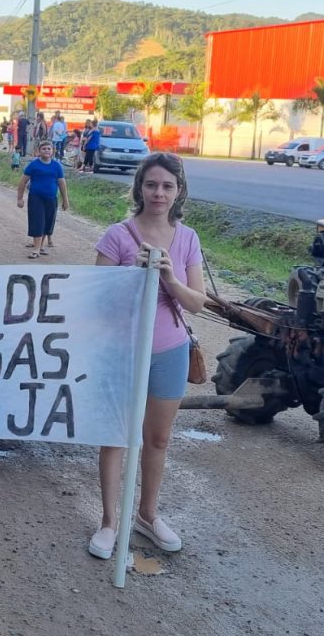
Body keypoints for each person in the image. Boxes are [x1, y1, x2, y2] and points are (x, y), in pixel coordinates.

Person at [87, 153, 205, 561]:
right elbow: (98, 302)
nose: (159, 193)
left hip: (170, 351)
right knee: (117, 435)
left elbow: (196, 303)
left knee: (158, 438)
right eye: (152, 185)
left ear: (178, 192)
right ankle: (108, 521)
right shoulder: (118, 236)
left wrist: (170, 278)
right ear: (140, 188)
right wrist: (131, 279)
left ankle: (147, 515)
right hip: (122, 352)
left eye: (167, 186)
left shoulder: (187, 239)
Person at [16, 140, 68, 259]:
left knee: (48, 222)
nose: (46, 151)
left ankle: (39, 245)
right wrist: (20, 198)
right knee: (37, 221)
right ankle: (36, 249)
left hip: (51, 198)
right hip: (36, 197)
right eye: (44, 149)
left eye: (49, 149)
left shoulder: (57, 166)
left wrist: (65, 200)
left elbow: (62, 183)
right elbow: (23, 182)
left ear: (52, 151)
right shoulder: (34, 165)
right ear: (39, 151)